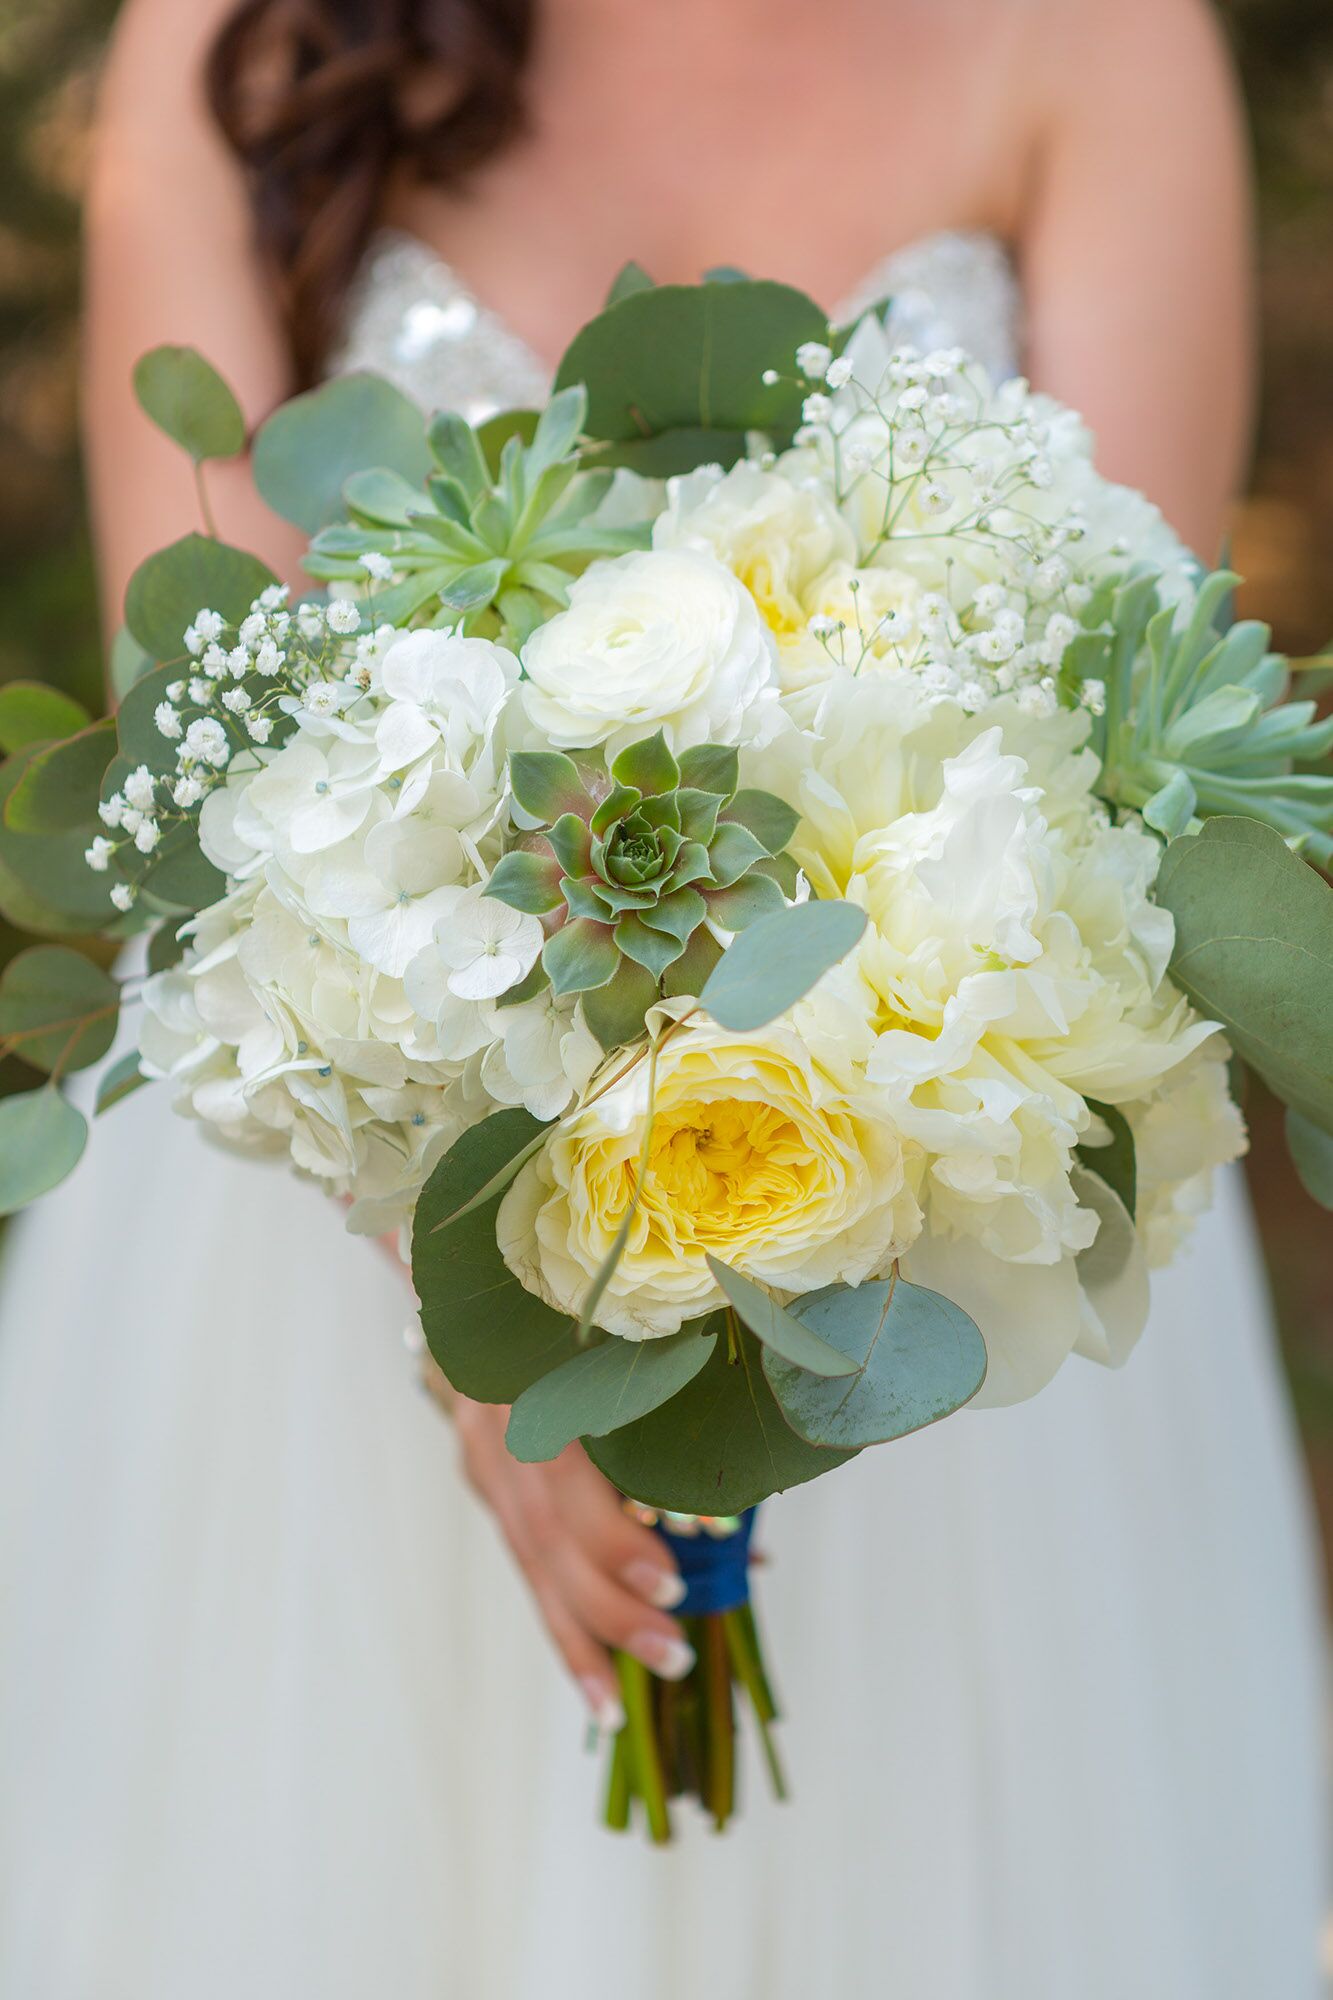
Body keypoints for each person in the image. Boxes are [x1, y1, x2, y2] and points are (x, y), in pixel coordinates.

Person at [0, 0, 1325, 1993]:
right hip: (319, 1257)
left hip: (935, 1262)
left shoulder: (1096, 36)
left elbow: (1109, 771)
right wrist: (488, 1318)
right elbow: (221, 793)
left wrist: (811, 1150)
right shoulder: (238, 41)